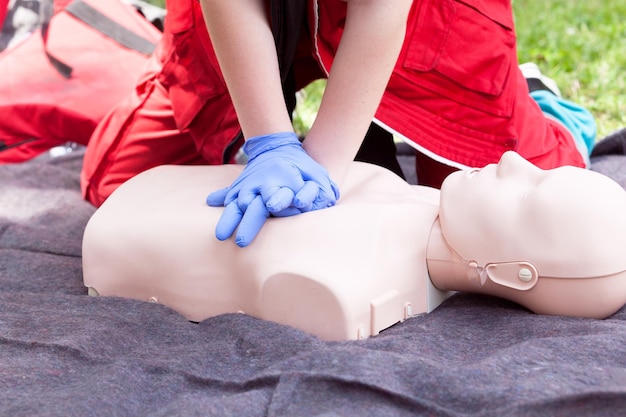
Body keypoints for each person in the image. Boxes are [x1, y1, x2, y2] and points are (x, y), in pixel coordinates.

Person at [80, 0, 597, 248]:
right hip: (267, 10)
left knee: (491, 217)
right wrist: (271, 143)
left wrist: (322, 167)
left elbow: (381, 9)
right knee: (119, 182)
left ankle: (544, 107)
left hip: (419, 17)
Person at [82, 152, 626, 340]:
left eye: (530, 192)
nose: (513, 160)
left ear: (516, 275)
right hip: (139, 203)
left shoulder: (351, 285)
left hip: (119, 234)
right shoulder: (413, 200)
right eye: (539, 170)